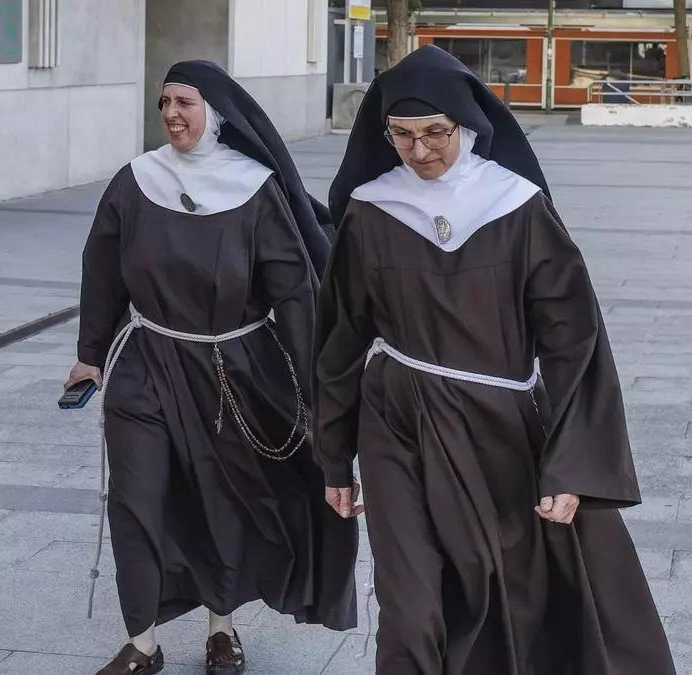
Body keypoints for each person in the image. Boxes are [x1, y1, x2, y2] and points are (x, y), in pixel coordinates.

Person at [314, 45, 675, 674]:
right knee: (409, 604)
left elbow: (574, 341)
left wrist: (572, 467)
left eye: (435, 134)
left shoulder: (517, 206)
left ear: (468, 127)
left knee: (504, 586)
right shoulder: (372, 209)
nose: (419, 151)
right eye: (401, 135)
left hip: (498, 422)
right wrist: (333, 456)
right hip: (395, 418)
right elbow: (341, 336)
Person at [68, 60, 357, 675]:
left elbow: (295, 295)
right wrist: (90, 355)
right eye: (165, 102)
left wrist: (314, 392)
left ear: (216, 115)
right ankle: (142, 641)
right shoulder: (135, 181)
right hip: (146, 360)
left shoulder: (253, 188)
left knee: (217, 499)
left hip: (233, 369)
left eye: (186, 103)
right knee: (137, 496)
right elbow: (101, 271)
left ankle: (220, 628)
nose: (172, 113)